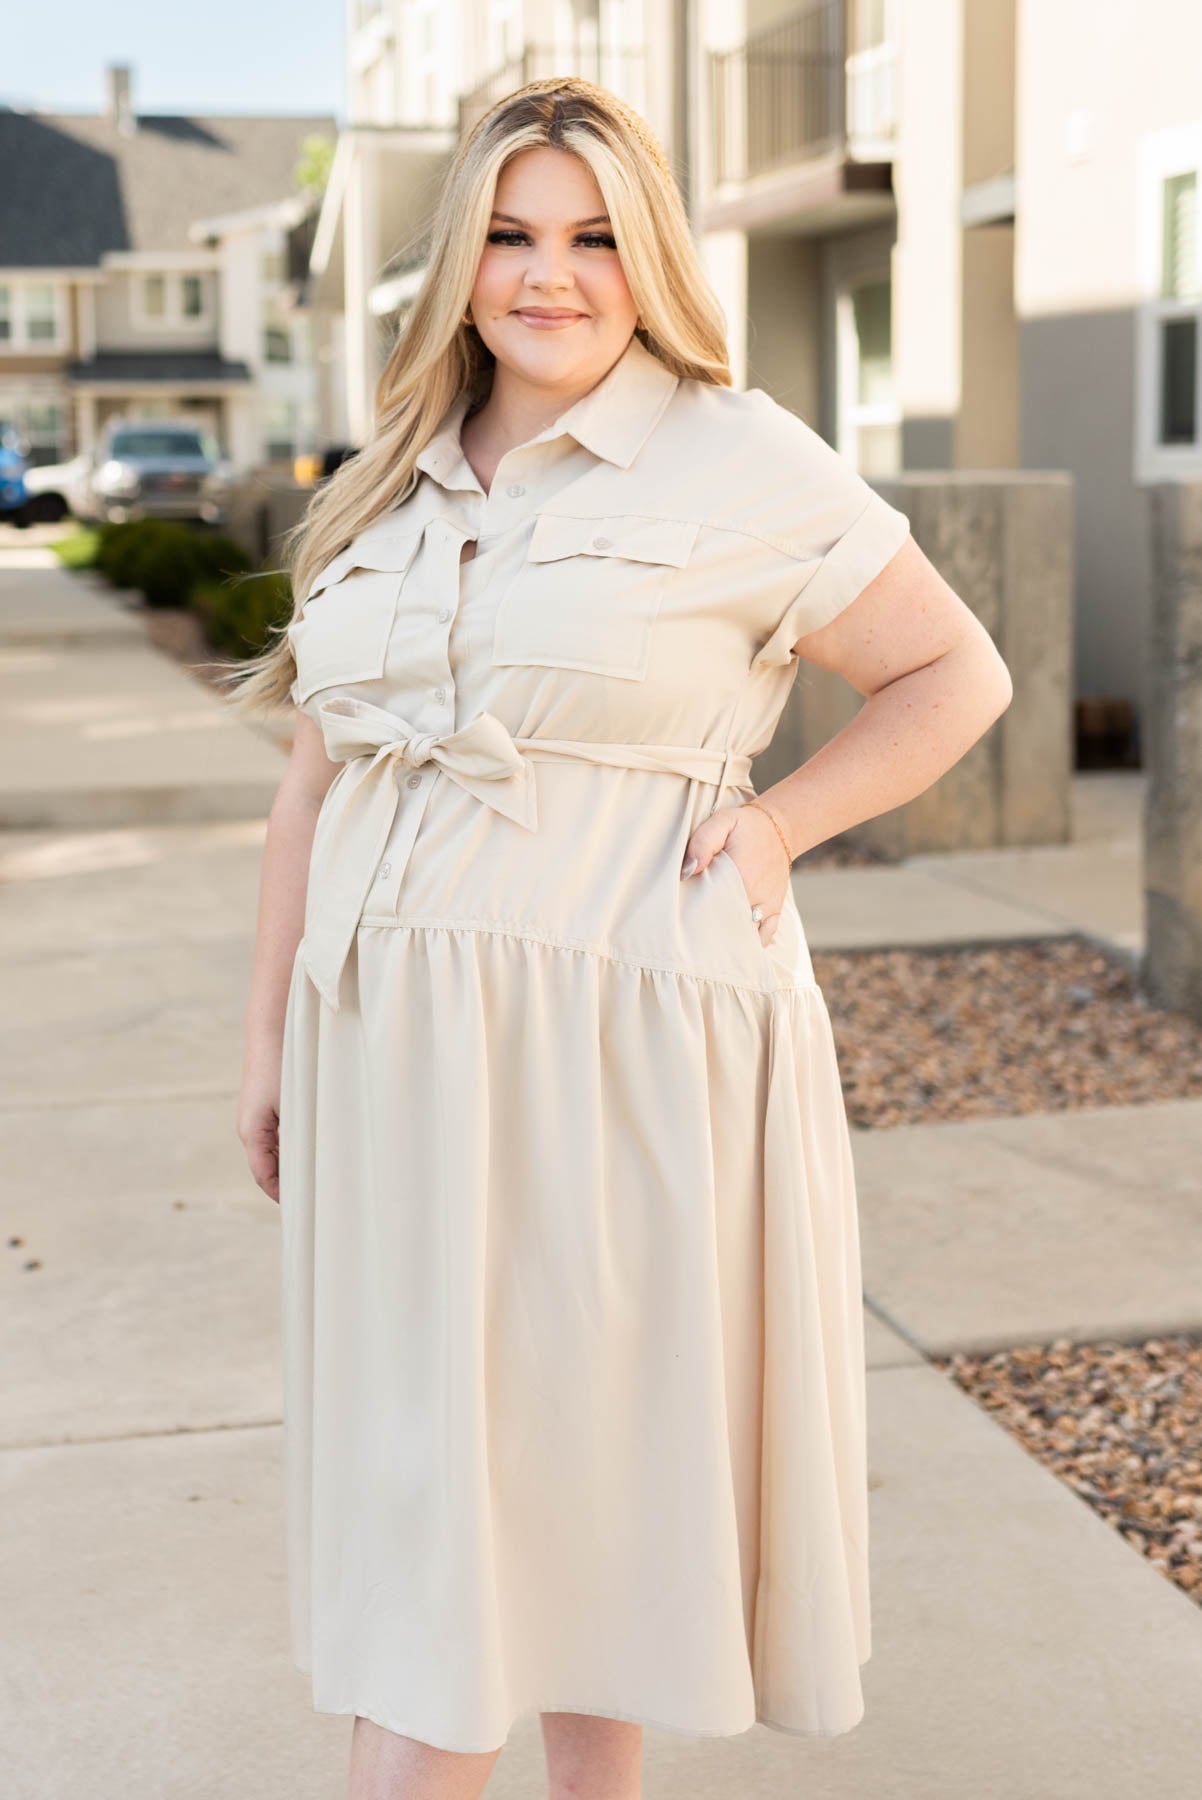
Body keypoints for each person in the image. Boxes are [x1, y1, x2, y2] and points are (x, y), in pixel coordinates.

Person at [230, 75, 1013, 1800]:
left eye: (592, 235)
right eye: (509, 233)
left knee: (575, 1482)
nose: (549, 274)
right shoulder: (383, 486)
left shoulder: (740, 454)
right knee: (443, 1492)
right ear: (457, 262)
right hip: (389, 1064)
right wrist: (273, 1042)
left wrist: (775, 830)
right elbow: (312, 787)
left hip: (627, 1043)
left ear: (647, 254)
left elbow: (956, 673)